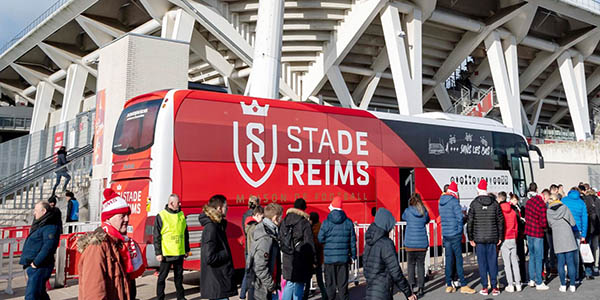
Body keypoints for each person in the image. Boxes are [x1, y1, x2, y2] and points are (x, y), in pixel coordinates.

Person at [78, 188, 145, 300]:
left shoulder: (118, 243)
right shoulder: (97, 246)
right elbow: (94, 292)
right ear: (108, 218)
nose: (127, 219)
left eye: (128, 215)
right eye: (122, 216)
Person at [364, 208, 417, 300]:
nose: (392, 228)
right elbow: (396, 272)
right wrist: (408, 292)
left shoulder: (369, 241)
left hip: (370, 292)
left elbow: (366, 267)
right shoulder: (386, 244)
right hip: (383, 292)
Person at [467, 179, 504, 296]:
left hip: (479, 238)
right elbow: (500, 221)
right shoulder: (495, 203)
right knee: (493, 262)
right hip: (492, 238)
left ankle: (484, 287)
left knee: (482, 263)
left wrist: (471, 238)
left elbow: (470, 222)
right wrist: (500, 236)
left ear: (478, 191)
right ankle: (494, 287)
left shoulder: (474, 204)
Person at [438, 181, 475, 294]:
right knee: (458, 260)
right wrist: (459, 230)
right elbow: (460, 218)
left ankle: (449, 284)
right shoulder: (454, 201)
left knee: (449, 260)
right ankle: (463, 284)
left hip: (446, 234)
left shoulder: (441, 202)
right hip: (455, 234)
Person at [19, 201, 61, 300]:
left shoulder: (50, 226)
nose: (34, 213)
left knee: (31, 295)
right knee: (40, 293)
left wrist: (36, 263)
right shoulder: (40, 224)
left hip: (40, 266)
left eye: (36, 210)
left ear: (44, 211)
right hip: (34, 265)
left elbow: (49, 246)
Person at [199, 194, 237, 300]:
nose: (228, 209)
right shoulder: (211, 228)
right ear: (220, 208)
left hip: (219, 281)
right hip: (217, 282)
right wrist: (225, 254)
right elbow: (209, 257)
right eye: (226, 207)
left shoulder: (218, 225)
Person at [318, 196, 356, 300]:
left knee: (330, 286)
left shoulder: (326, 223)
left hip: (329, 260)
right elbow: (352, 241)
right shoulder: (348, 222)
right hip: (343, 259)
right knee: (343, 286)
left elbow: (320, 239)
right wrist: (353, 256)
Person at [154, 194, 190, 300]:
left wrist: (187, 249)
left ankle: (181, 297)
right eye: (178, 203)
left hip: (179, 252)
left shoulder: (181, 215)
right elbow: (156, 236)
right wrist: (158, 252)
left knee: (179, 278)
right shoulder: (161, 216)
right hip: (166, 253)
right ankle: (160, 297)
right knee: (162, 278)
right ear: (171, 203)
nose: (180, 204)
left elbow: (185, 234)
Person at [281, 198, 316, 300]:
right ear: (303, 209)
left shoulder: (285, 220)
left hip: (288, 256)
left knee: (290, 282)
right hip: (301, 256)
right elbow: (309, 242)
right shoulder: (304, 222)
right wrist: (314, 259)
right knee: (299, 283)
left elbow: (281, 237)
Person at [249, 203, 283, 300]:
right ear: (275, 218)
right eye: (281, 217)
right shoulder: (266, 238)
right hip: (264, 289)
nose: (281, 220)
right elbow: (260, 267)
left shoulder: (265, 231)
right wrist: (271, 286)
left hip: (264, 286)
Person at [547, 193, 578, 292]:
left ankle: (563, 285)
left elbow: (550, 225)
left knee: (560, 262)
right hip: (568, 237)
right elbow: (573, 222)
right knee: (570, 262)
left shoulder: (548, 211)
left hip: (557, 238)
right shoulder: (565, 207)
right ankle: (572, 285)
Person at [402, 193, 430, 297]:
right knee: (420, 265)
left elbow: (403, 217)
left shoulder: (408, 211)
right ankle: (421, 288)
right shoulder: (424, 211)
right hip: (422, 243)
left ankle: (411, 286)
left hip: (410, 243)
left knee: (411, 265)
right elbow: (427, 220)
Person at [524, 182, 550, 290]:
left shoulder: (528, 202)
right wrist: (545, 227)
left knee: (532, 256)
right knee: (539, 257)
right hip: (538, 232)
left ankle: (531, 280)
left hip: (529, 232)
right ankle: (539, 281)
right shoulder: (540, 203)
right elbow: (543, 221)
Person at [562, 187, 588, 283]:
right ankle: (575, 275)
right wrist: (584, 234)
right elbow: (585, 219)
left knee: (566, 252)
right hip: (578, 229)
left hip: (565, 229)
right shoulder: (581, 202)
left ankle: (567, 274)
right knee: (575, 253)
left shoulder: (564, 200)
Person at [497, 192, 521, 292]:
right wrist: (514, 236)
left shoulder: (500, 212)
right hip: (512, 237)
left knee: (507, 264)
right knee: (515, 262)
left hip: (504, 238)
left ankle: (510, 284)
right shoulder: (512, 212)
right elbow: (516, 226)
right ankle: (518, 284)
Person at [241, 196, 261, 300]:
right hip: (254, 248)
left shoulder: (245, 215)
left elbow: (244, 231)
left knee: (247, 271)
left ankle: (243, 293)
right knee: (254, 274)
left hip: (247, 247)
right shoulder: (257, 215)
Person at [304, 212, 327, 300]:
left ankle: (305, 296)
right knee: (319, 279)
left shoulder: (309, 228)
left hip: (312, 257)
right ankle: (324, 295)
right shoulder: (321, 227)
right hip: (319, 256)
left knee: (307, 279)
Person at [509, 193, 527, 282]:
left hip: (517, 234)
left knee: (517, 257)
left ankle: (520, 277)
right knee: (518, 257)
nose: (516, 202)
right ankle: (520, 278)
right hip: (517, 234)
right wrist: (522, 221)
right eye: (515, 200)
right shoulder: (513, 208)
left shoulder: (518, 207)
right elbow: (517, 220)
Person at [582, 187, 600, 278]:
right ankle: (596, 265)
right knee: (596, 247)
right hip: (597, 227)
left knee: (588, 247)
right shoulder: (598, 201)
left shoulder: (585, 201)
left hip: (589, 228)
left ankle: (589, 266)